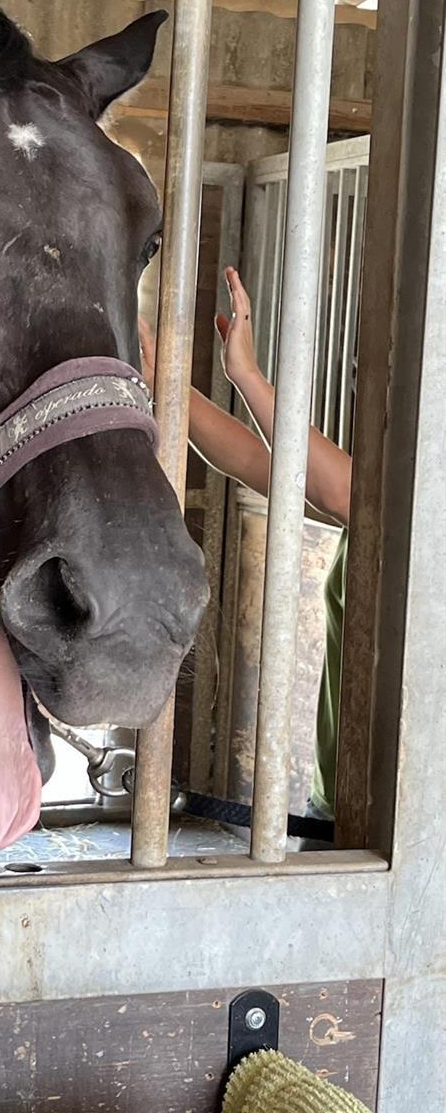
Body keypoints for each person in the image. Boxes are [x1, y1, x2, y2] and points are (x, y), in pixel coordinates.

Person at [139, 268, 352, 840]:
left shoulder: (405, 508)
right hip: (340, 808)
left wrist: (248, 376)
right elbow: (255, 460)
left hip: (410, 818)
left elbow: (339, 491)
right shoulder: (388, 505)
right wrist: (164, 379)